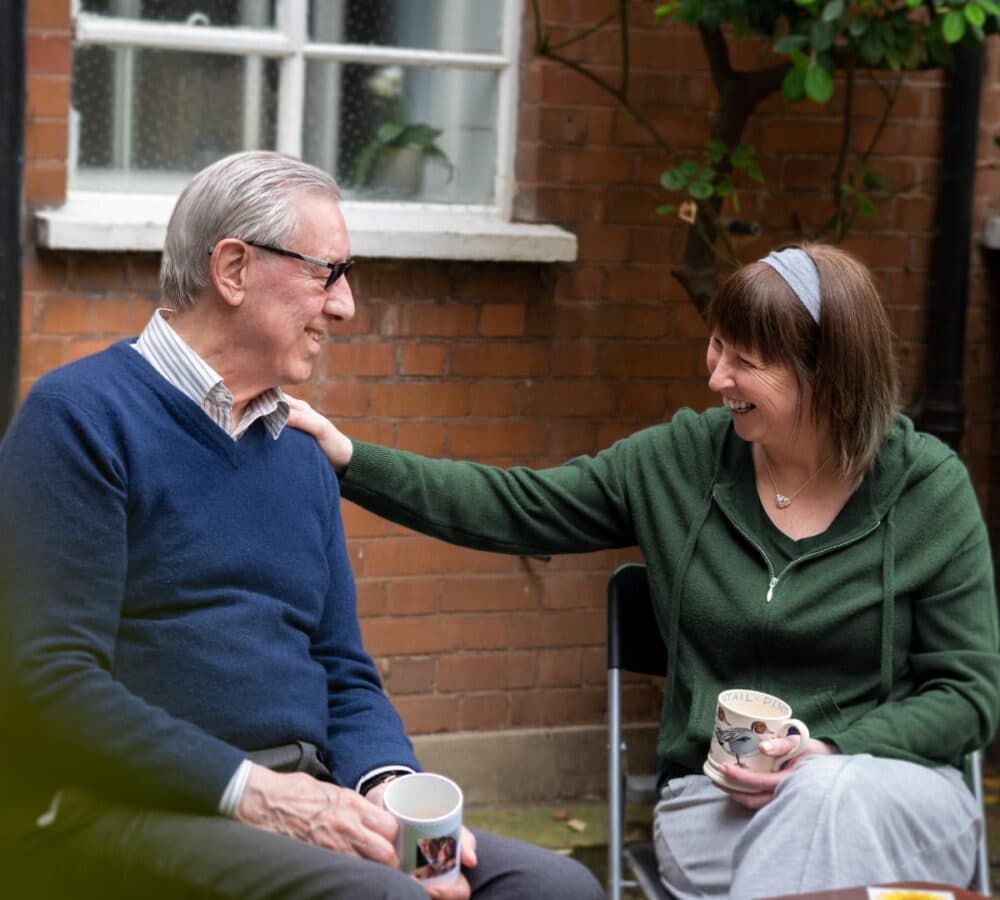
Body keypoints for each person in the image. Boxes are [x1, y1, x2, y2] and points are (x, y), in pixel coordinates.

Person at [287, 243, 1000, 899]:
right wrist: (351, 458)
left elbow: (968, 697)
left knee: (824, 799)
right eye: (717, 345)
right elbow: (516, 507)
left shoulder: (926, 491)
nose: (714, 374)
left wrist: (827, 751)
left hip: (894, 792)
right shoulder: (680, 463)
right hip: (717, 809)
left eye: (743, 361)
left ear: (826, 374)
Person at [0, 150, 605, 900]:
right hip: (123, 808)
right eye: (328, 272)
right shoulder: (79, 421)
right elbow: (49, 682)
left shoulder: (299, 453)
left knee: (553, 887)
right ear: (233, 269)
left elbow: (343, 671)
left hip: (301, 797)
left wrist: (386, 788)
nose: (346, 305)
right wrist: (257, 794)